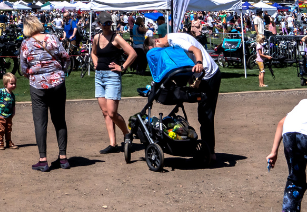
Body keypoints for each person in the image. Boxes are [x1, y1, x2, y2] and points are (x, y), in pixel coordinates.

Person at [149, 29, 221, 165]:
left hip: (209, 75)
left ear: (157, 41)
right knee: (204, 116)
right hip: (203, 76)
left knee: (206, 115)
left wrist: (199, 63)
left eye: (156, 50)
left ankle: (210, 154)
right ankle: (208, 151)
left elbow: (195, 50)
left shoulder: (174, 40)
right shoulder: (172, 42)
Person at [18, 15, 70, 172]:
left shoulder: (26, 43)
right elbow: (66, 57)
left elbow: (22, 67)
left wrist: (31, 73)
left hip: (38, 85)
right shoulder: (52, 38)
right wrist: (61, 70)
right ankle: (63, 158)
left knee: (40, 122)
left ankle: (43, 159)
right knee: (59, 120)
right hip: (57, 82)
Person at [91, 13, 136, 153]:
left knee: (112, 112)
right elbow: (93, 53)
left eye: (109, 23)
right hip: (99, 77)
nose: (106, 26)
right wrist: (95, 63)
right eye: (104, 23)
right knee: (105, 112)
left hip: (112, 77)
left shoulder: (116, 37)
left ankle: (127, 133)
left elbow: (133, 53)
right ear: (99, 24)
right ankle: (113, 144)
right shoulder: (96, 38)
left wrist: (122, 67)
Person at [0, 71, 18, 150]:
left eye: (14, 83)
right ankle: (0, 141)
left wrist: (13, 112)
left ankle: (8, 141)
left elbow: (13, 104)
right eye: (11, 83)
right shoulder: (1, 91)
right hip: (0, 114)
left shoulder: (12, 95)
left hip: (9, 115)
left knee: (8, 129)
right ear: (5, 84)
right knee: (1, 129)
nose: (13, 85)